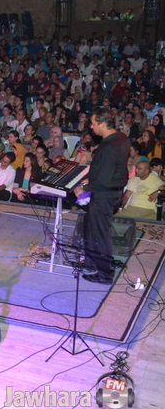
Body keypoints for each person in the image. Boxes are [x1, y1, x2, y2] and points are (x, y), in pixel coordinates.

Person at [74, 108, 131, 284]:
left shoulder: (108, 146)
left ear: (103, 124)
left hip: (104, 195)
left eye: (93, 123)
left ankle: (105, 274)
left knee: (100, 234)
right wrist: (90, 181)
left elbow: (104, 179)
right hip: (113, 191)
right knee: (91, 228)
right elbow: (112, 170)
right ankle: (92, 263)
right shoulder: (121, 138)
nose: (91, 127)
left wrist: (85, 188)